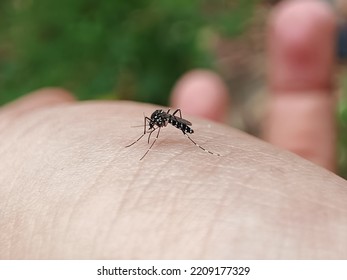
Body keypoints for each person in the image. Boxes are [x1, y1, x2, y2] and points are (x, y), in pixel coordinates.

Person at [0, 0, 346, 259]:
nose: (155, 126)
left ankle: (198, 145)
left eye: (154, 125)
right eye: (154, 125)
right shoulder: (158, 119)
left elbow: (165, 119)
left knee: (178, 116)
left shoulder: (168, 121)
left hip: (185, 124)